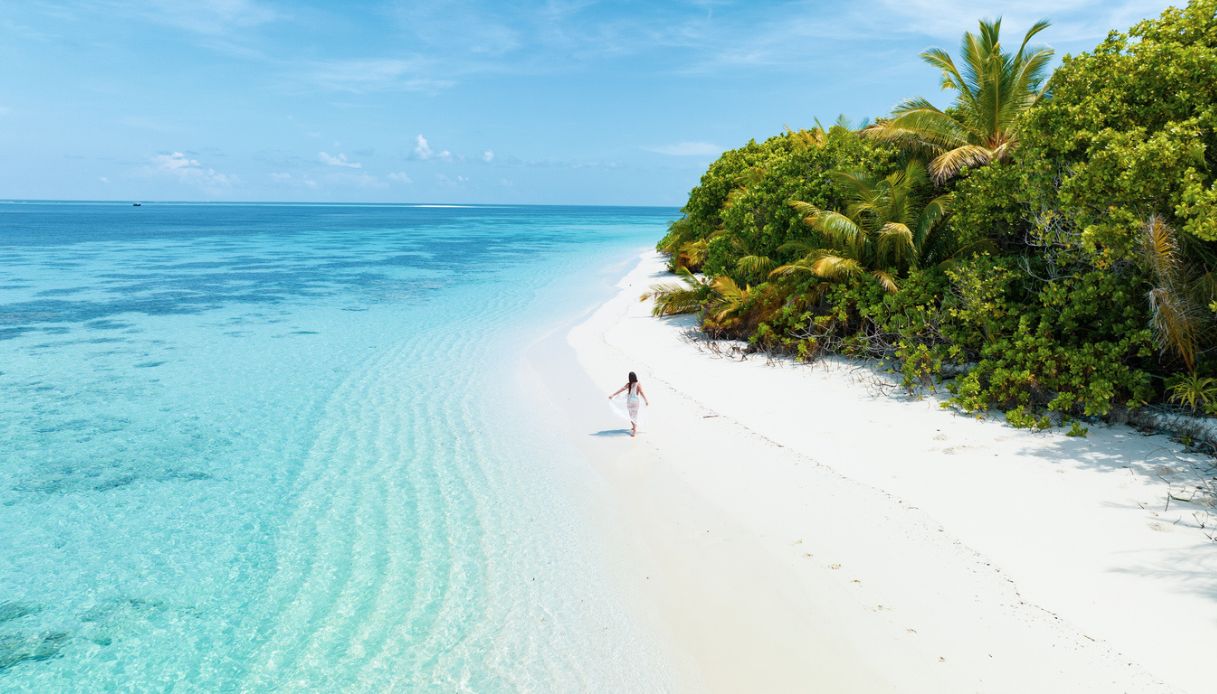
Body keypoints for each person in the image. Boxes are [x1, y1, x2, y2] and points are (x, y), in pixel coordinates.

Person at [609, 371, 649, 437]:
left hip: (630, 401)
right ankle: (634, 429)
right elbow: (641, 392)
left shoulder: (629, 384)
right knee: (635, 415)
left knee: (631, 415)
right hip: (635, 401)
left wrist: (613, 395)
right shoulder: (638, 384)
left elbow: (621, 390)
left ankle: (634, 427)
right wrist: (646, 400)